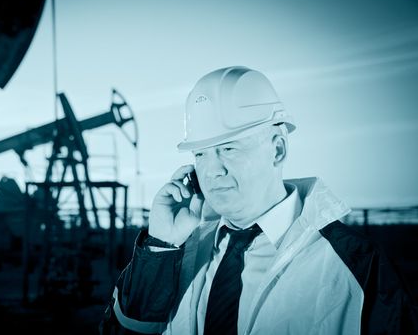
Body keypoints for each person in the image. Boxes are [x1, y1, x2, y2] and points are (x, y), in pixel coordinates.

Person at [100, 66, 418, 334]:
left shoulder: (359, 266)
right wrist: (160, 246)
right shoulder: (175, 254)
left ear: (277, 148)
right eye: (200, 153)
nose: (212, 171)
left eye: (228, 148)